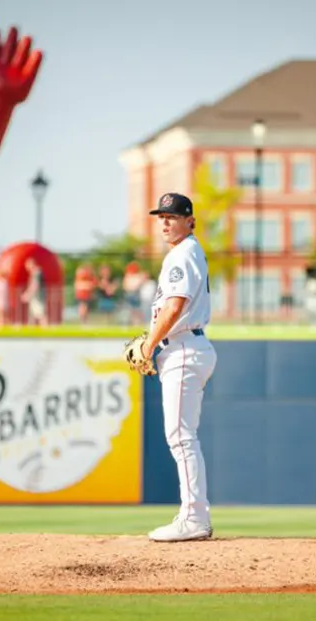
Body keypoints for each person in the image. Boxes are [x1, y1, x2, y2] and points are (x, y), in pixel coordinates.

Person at [139, 192, 216, 542]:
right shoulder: (187, 252)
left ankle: (194, 518)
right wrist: (152, 341)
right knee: (182, 437)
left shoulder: (182, 254)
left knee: (181, 437)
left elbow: (174, 308)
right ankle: (191, 512)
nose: (166, 221)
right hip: (185, 345)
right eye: (162, 216)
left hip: (183, 346)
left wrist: (148, 344)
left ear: (191, 221)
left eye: (173, 215)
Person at [22, 257, 47, 326]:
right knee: (32, 315)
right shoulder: (34, 273)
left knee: (40, 314)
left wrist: (28, 294)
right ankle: (31, 332)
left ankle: (46, 332)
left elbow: (35, 285)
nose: (27, 268)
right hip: (34, 297)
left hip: (38, 296)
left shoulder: (37, 273)